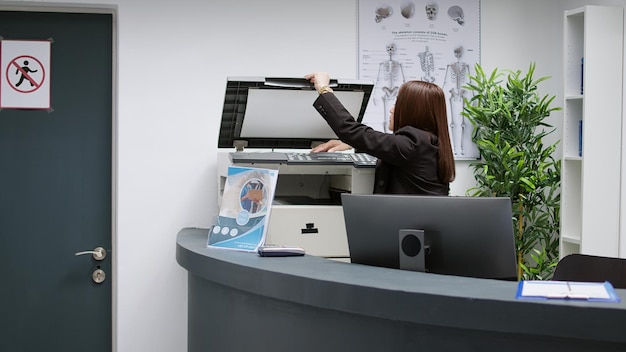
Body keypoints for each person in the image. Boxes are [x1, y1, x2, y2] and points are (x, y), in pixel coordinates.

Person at [304, 72, 455, 195]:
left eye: (397, 104)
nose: (391, 110)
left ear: (412, 111)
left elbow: (351, 130)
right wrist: (351, 145)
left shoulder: (413, 143)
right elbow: (386, 146)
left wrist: (323, 89)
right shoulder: (429, 143)